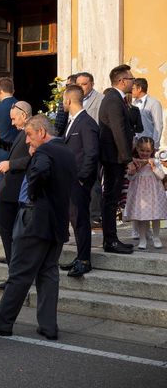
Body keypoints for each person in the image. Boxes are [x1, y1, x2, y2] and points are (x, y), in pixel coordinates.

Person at [0, 115, 77, 341]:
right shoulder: (67, 151)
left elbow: (39, 173)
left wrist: (33, 193)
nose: (27, 141)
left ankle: (2, 322)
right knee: (48, 273)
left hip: (34, 218)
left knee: (19, 273)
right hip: (57, 221)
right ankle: (48, 326)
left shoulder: (43, 152)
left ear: (41, 132)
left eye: (29, 135)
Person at [0, 100, 32, 290]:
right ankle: (14, 265)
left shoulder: (32, 131)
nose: (13, 123)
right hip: (9, 189)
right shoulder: (22, 133)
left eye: (14, 119)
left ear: (24, 114)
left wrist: (10, 165)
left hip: (14, 190)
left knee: (7, 233)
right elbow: (17, 151)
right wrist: (0, 142)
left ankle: (14, 275)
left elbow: (32, 157)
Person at [58, 85, 99, 277]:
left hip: (80, 182)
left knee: (81, 220)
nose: (61, 104)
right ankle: (79, 256)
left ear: (68, 101)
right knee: (75, 220)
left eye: (62, 100)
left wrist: (82, 178)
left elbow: (91, 154)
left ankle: (84, 260)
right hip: (70, 181)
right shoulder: (72, 121)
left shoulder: (86, 123)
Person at [99, 65, 137, 254]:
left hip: (115, 157)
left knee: (112, 200)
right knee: (111, 200)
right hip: (114, 159)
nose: (133, 81)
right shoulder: (113, 100)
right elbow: (119, 131)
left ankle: (111, 239)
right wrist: (127, 159)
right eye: (131, 78)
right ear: (122, 81)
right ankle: (110, 241)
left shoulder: (116, 99)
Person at [124, 137, 166, 250]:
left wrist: (153, 167)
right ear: (137, 149)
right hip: (140, 194)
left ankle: (156, 237)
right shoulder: (134, 162)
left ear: (152, 151)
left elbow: (161, 176)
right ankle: (142, 239)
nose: (145, 153)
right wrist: (132, 171)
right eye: (142, 150)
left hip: (154, 193)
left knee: (156, 217)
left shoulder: (155, 162)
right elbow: (130, 178)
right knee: (142, 217)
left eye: (147, 151)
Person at [76, 71, 105, 228]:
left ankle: (95, 215)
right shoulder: (76, 99)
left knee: (93, 181)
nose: (81, 87)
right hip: (78, 147)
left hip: (93, 145)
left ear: (92, 84)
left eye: (84, 84)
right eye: (78, 84)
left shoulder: (100, 100)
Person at [132, 78, 163, 147]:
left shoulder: (154, 103)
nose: (131, 91)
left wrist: (154, 145)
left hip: (148, 145)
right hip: (134, 145)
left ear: (139, 89)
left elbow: (158, 125)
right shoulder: (133, 103)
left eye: (133, 89)